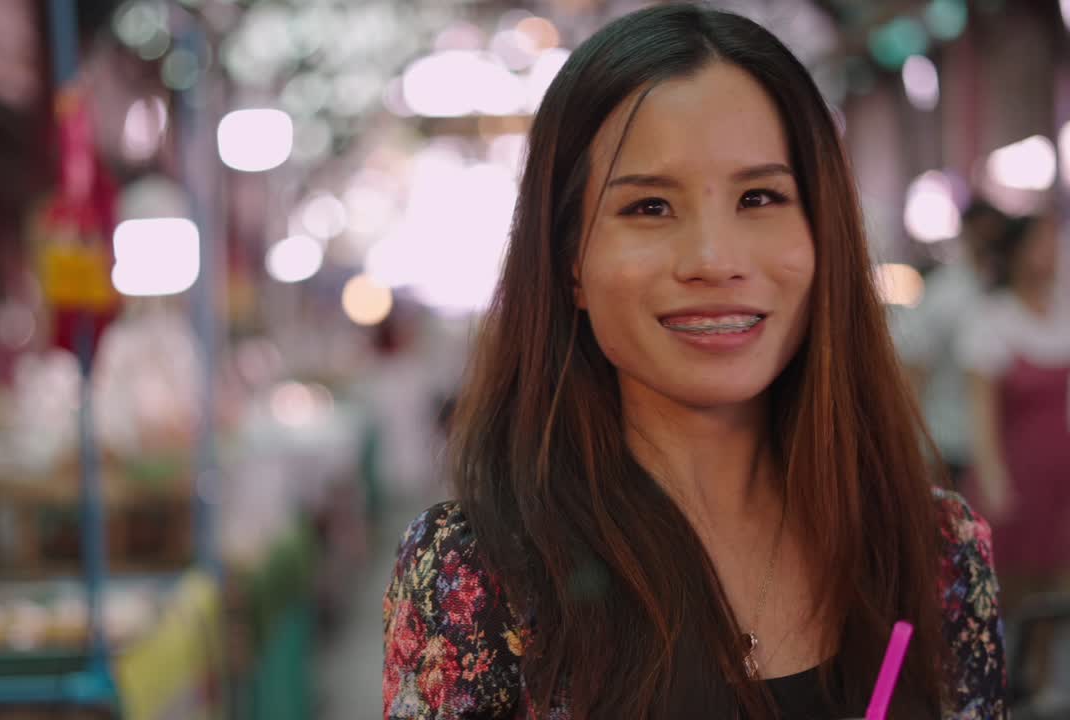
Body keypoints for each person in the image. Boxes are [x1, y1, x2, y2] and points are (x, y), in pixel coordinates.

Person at [382, 5, 1004, 719]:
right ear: (569, 264)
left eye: (759, 197)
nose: (715, 260)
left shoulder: (935, 554)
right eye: (649, 207)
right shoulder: (481, 574)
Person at [957, 212, 1069, 696]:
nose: (1050, 255)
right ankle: (1005, 686)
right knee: (1011, 587)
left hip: (1060, 470)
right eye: (1040, 245)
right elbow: (982, 413)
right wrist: (994, 478)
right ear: (1018, 253)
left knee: (1056, 582)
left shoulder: (1063, 312)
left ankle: (1044, 681)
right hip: (1015, 469)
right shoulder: (992, 317)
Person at [891, 200, 1009, 487]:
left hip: (1004, 441)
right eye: (983, 232)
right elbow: (914, 370)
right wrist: (914, 448)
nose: (989, 240)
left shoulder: (1001, 291)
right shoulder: (945, 294)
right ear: (968, 232)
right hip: (949, 443)